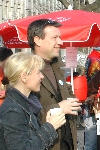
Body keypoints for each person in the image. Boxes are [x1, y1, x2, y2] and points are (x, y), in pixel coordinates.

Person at [27, 19, 82, 150]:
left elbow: (69, 94)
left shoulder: (59, 66)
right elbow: (24, 114)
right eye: (55, 38)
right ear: (38, 40)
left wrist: (74, 103)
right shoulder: (25, 70)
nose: (60, 42)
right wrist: (58, 108)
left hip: (68, 142)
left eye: (60, 37)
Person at [0, 52, 66, 150]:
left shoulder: (26, 104)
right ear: (24, 77)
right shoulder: (13, 111)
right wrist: (50, 127)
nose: (42, 76)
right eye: (38, 72)